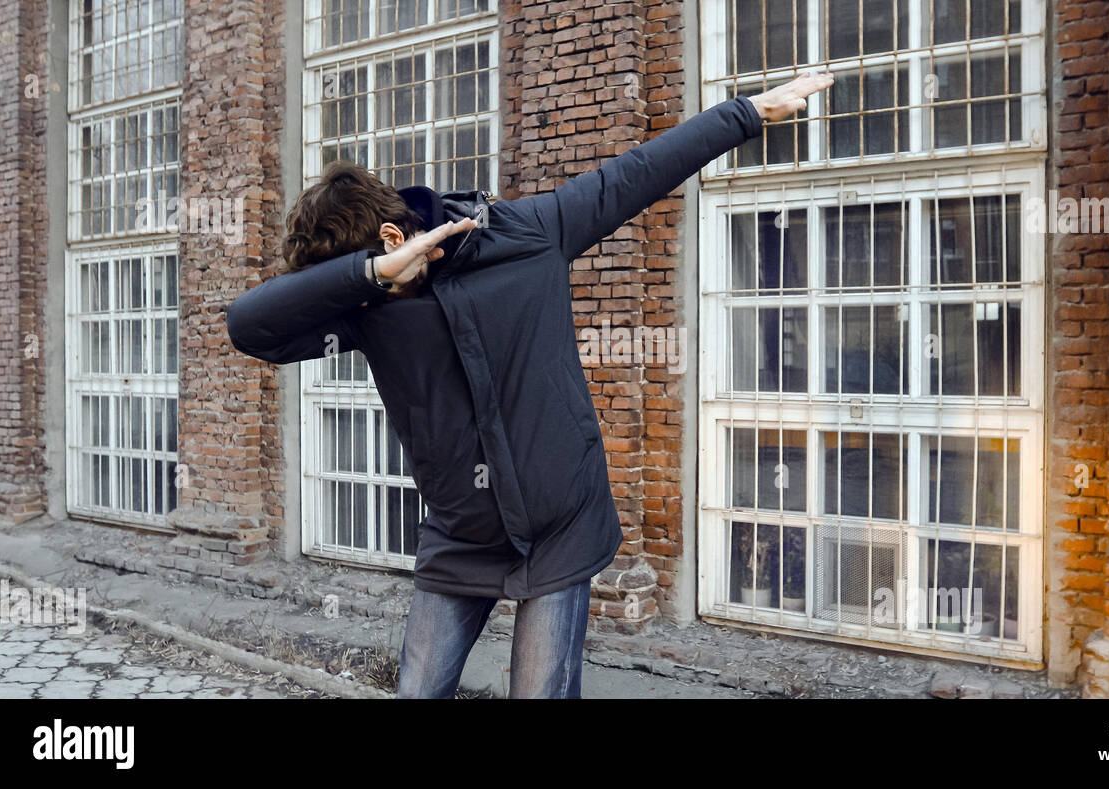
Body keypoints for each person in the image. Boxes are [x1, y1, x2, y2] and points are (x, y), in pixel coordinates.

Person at [226, 71, 835, 698]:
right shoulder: (369, 305)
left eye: (373, 266)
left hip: (560, 523)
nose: (369, 286)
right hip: (460, 534)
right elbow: (250, 327)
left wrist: (745, 114)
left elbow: (630, 176)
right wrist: (370, 275)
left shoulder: (525, 234)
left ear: (390, 232)